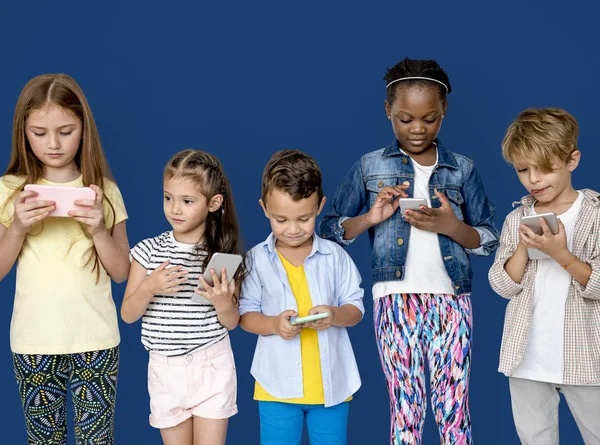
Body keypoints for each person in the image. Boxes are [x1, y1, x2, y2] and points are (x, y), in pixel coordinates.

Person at [320, 58, 499, 445]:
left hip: (452, 301)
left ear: (444, 112)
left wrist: (451, 226)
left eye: (429, 119)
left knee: (454, 411)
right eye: (405, 119)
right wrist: (371, 217)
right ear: (388, 111)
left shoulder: (462, 169)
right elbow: (329, 228)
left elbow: (490, 239)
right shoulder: (369, 167)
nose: (417, 128)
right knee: (406, 410)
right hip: (394, 301)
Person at [0, 73, 130, 444]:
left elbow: (121, 273)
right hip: (33, 340)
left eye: (66, 131)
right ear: (23, 131)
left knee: (96, 440)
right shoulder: (9, 190)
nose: (53, 144)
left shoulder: (104, 191)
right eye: (39, 133)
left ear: (84, 128)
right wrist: (18, 228)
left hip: (96, 339)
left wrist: (98, 231)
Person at [488, 108, 600, 445]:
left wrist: (561, 254)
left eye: (545, 168)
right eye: (523, 170)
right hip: (527, 359)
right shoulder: (515, 218)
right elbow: (502, 284)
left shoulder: (595, 214)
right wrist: (523, 248)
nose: (534, 180)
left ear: (572, 160)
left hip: (588, 359)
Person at [240, 150, 364, 445]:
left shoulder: (335, 257)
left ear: (320, 206)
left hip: (332, 386)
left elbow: (355, 308)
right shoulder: (256, 260)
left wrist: (334, 315)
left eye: (304, 218)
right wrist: (274, 325)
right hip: (275, 386)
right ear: (264, 208)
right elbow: (245, 315)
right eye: (281, 219)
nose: (293, 229)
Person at [122, 149, 243, 445]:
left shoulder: (223, 256)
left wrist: (222, 301)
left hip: (212, 365)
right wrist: (150, 287)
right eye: (168, 197)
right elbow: (127, 314)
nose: (175, 209)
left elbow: (231, 322)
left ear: (213, 203)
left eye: (187, 201)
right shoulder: (147, 251)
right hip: (165, 369)